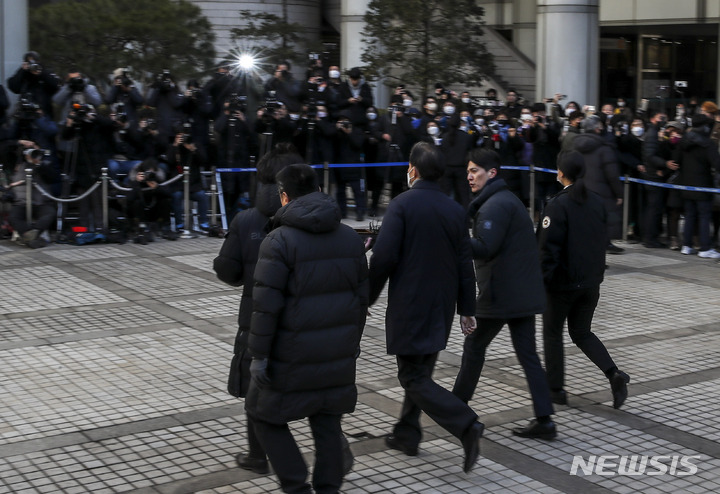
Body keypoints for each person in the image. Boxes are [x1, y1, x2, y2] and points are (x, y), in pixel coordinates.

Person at [246, 163, 368, 494]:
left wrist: (258, 355)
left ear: (284, 196)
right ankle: (328, 488)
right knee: (327, 422)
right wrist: (352, 343)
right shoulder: (350, 237)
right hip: (337, 352)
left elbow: (265, 307)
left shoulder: (278, 240)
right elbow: (362, 299)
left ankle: (296, 485)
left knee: (262, 413)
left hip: (291, 354)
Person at [368, 141, 484, 474]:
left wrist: (366, 296)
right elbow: (465, 263)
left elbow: (384, 257)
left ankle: (466, 424)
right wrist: (466, 308)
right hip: (442, 305)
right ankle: (407, 433)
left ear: (413, 170)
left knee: (412, 376)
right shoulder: (454, 209)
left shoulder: (402, 205)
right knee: (421, 372)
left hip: (411, 303)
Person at [452, 148, 556, 440]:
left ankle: (456, 408)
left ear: (492, 173)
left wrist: (455, 238)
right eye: (468, 171)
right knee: (528, 356)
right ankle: (545, 419)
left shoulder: (495, 206)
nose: (469, 176)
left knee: (474, 347)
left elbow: (486, 246)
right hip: (519, 293)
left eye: (475, 171)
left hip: (501, 295)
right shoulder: (504, 200)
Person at [213, 145, 303, 475]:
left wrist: (222, 261)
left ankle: (258, 455)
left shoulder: (246, 220)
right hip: (303, 325)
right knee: (313, 392)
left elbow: (229, 271)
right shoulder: (312, 221)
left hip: (256, 323)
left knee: (257, 394)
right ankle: (333, 448)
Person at [537, 151, 630, 409]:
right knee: (581, 332)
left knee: (552, 334)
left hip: (562, 285)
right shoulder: (597, 202)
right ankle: (614, 374)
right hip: (590, 283)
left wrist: (539, 283)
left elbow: (548, 251)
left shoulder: (557, 205)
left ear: (561, 172)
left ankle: (555, 390)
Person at [573, 115, 624, 254]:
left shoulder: (574, 146)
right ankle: (596, 259)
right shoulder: (604, 149)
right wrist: (619, 193)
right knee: (600, 226)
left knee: (584, 225)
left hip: (579, 189)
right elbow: (612, 174)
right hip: (601, 193)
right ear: (597, 129)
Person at [675, 114, 720, 258]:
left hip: (686, 184)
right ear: (705, 127)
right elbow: (717, 164)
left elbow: (677, 161)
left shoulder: (684, 141)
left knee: (689, 216)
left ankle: (686, 245)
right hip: (703, 185)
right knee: (704, 216)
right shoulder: (708, 144)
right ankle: (705, 247)